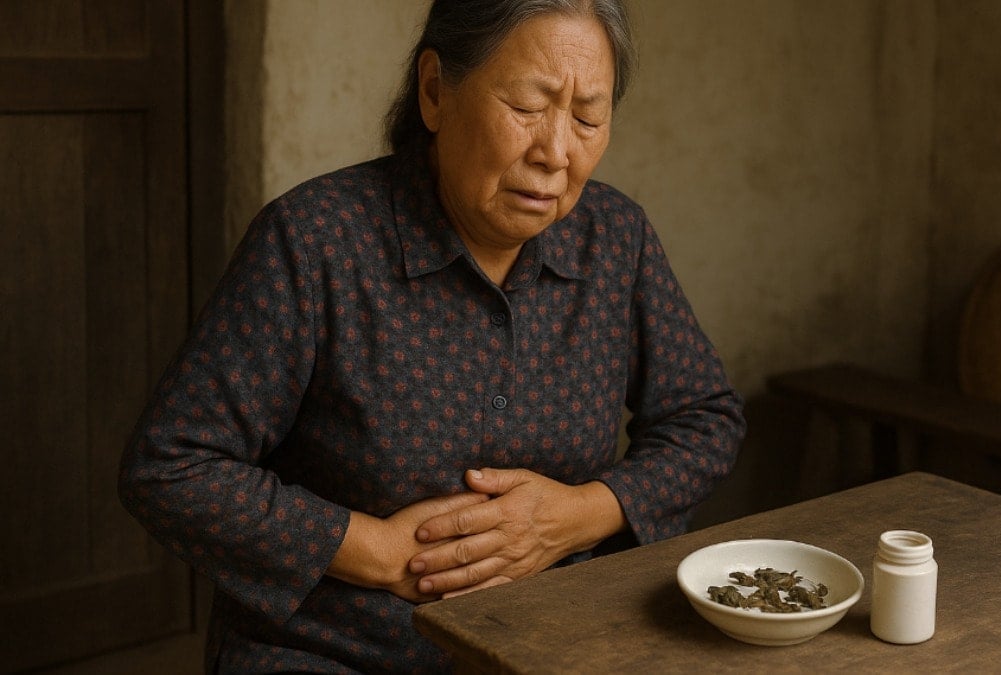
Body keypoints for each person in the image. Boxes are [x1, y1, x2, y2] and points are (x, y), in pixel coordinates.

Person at [119, 0, 745, 672]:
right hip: (335, 646)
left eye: (588, 117)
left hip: (556, 635)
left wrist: (579, 513)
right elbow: (172, 466)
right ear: (434, 91)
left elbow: (706, 419)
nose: (556, 151)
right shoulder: (315, 242)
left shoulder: (615, 240)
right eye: (528, 106)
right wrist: (377, 550)